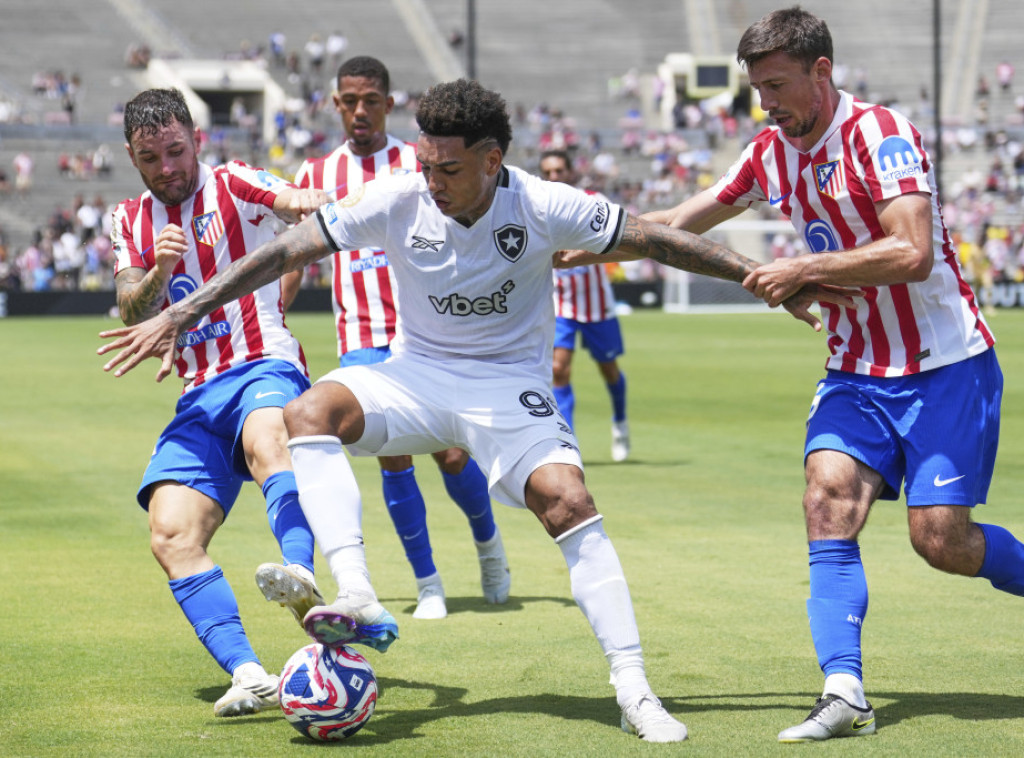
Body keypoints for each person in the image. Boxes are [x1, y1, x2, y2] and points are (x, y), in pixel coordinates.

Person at [98, 78, 838, 742]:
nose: (432, 181)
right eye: (425, 164)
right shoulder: (399, 195)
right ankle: (356, 593)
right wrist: (181, 311)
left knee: (569, 501)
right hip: (415, 375)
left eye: (448, 169)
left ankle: (634, 689)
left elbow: (655, 239)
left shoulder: (543, 203)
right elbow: (286, 252)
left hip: (506, 386)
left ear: (492, 159)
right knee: (310, 410)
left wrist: (764, 277)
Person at [647, 7, 1024, 743]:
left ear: (821, 71)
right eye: (758, 89)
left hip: (945, 366)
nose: (767, 104)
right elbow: (677, 220)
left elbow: (911, 251)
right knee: (826, 498)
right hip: (855, 371)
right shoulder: (767, 153)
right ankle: (844, 689)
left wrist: (802, 267)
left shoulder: (880, 134)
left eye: (778, 86)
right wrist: (585, 240)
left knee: (941, 542)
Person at [108, 87, 330, 718]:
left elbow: (298, 203)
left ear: (196, 141)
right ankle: (249, 673)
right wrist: (158, 273)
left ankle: (299, 571)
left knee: (267, 441)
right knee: (170, 532)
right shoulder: (128, 219)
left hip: (264, 363)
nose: (167, 168)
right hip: (199, 395)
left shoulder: (234, 181)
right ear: (132, 157)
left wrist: (316, 200)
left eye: (176, 151)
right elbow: (130, 308)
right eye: (151, 158)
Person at [284, 55, 509, 620]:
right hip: (361, 333)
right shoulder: (316, 175)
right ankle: (428, 582)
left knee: (452, 453)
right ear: (336, 105)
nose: (360, 111)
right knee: (394, 458)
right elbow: (297, 255)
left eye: (371, 101)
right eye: (349, 102)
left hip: (427, 331)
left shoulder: (419, 162)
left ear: (388, 104)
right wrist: (276, 314)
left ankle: (488, 544)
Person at [540, 149, 631, 461]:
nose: (554, 177)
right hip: (561, 305)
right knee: (558, 369)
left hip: (597, 304)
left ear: (570, 173)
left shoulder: (593, 201)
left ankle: (620, 421)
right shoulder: (536, 206)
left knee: (609, 370)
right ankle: (569, 443)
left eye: (559, 171)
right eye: (547, 172)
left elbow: (618, 238)